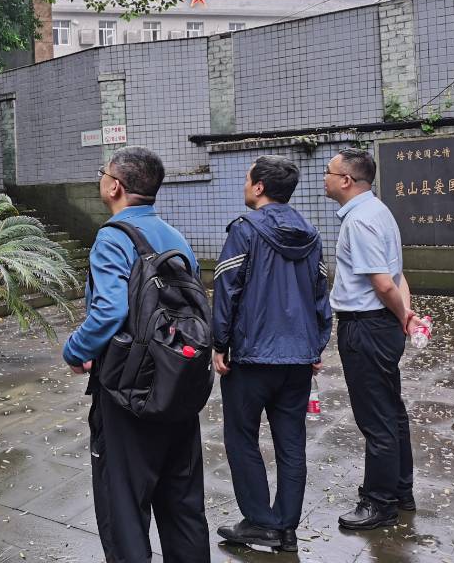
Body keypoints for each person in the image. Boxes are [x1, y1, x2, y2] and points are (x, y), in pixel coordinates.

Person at [63, 146, 210, 563]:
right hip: (178, 382)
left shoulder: (114, 237)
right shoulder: (175, 237)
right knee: (182, 502)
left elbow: (109, 310)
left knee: (124, 505)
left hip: (130, 391)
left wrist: (75, 349)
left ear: (115, 186)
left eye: (103, 173)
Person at [211, 155, 332, 553]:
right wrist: (315, 345)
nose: (245, 185)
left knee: (242, 436)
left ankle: (260, 523)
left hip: (252, 358)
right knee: (291, 443)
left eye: (248, 179)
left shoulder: (244, 230)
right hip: (298, 359)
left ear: (260, 186)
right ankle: (286, 528)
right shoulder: (311, 235)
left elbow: (227, 289)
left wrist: (219, 343)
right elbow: (320, 296)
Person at [324, 148, 420, 530]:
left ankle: (380, 503)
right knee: (391, 411)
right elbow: (398, 276)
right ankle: (401, 490)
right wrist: (404, 315)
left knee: (376, 419)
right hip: (381, 326)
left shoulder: (360, 220)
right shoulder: (379, 211)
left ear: (346, 180)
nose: (325, 179)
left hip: (365, 329)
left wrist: (401, 315)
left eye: (329, 172)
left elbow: (383, 283)